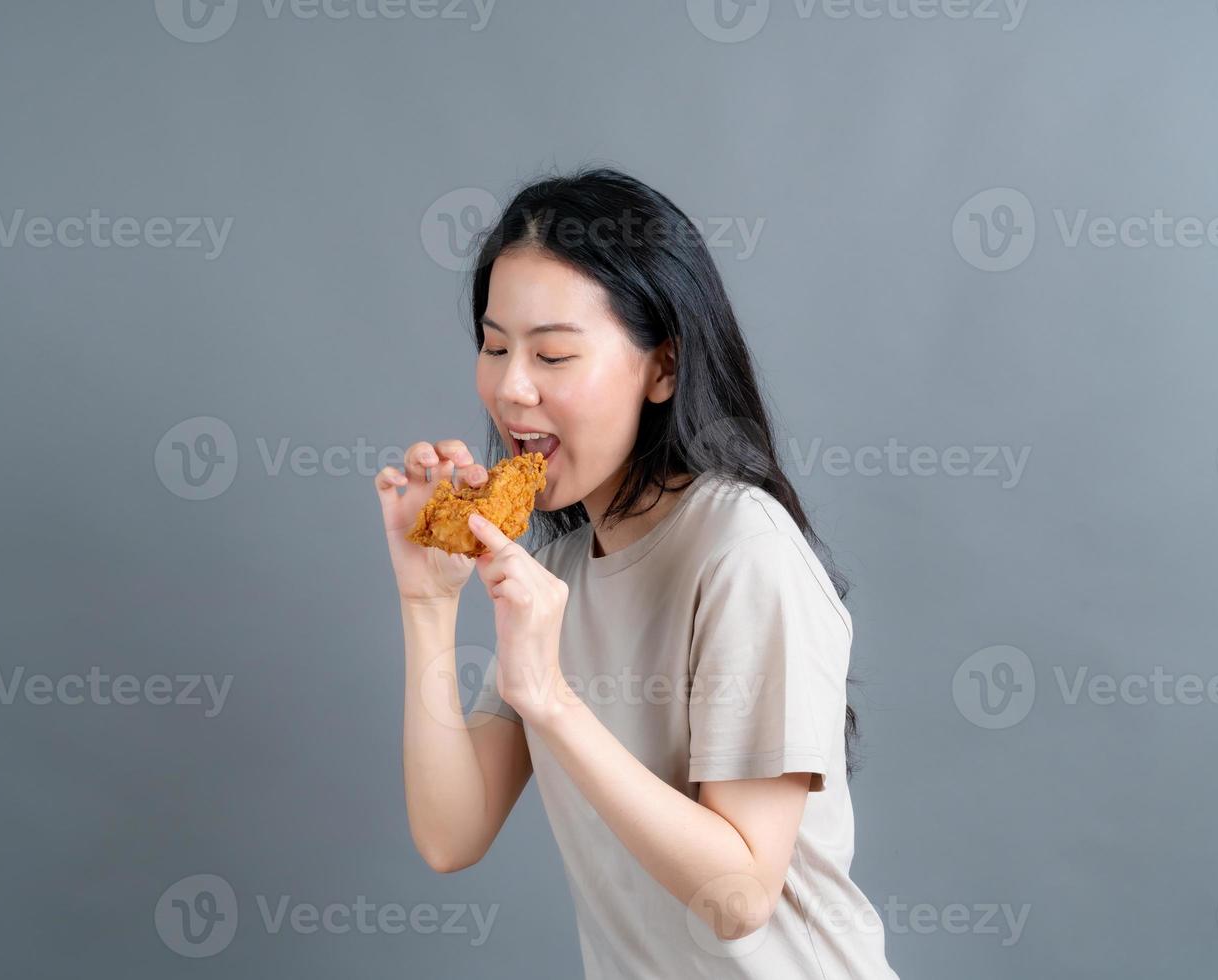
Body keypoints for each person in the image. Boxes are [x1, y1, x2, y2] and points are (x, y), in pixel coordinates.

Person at [375, 166, 900, 978]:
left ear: (662, 367)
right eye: (494, 345)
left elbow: (738, 897)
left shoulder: (741, 548)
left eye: (552, 353)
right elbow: (452, 834)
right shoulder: (557, 572)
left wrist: (549, 699)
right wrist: (426, 600)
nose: (512, 387)